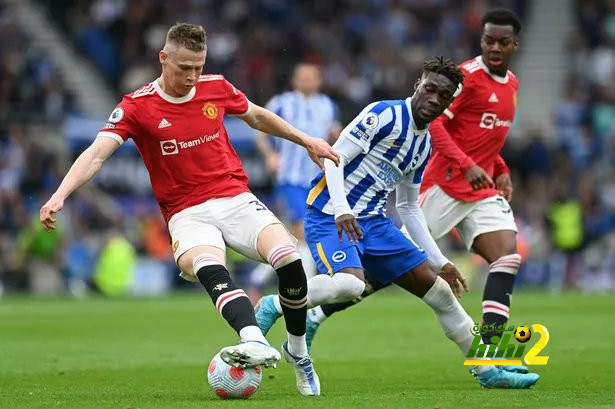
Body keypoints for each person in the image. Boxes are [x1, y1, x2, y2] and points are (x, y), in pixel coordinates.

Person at [39, 23, 339, 396]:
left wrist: (306, 139)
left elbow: (257, 115)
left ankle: (297, 351)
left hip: (234, 198)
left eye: (199, 67)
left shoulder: (215, 87)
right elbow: (97, 154)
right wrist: (60, 195)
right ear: (164, 58)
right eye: (184, 68)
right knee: (209, 265)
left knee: (289, 259)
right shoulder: (137, 106)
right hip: (187, 212)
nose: (193, 76)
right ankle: (253, 339)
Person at [254, 56, 539, 389]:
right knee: (351, 285)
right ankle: (275, 302)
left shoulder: (425, 142)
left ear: (449, 103)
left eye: (443, 96)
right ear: (418, 84)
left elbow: (408, 205)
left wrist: (441, 261)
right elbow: (334, 157)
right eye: (430, 89)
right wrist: (343, 209)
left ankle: (487, 369)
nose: (434, 99)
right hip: (331, 214)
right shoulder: (383, 114)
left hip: (375, 223)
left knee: (442, 293)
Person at [248, 63, 341, 297]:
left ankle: (258, 278)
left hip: (318, 180)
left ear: (319, 80)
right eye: (303, 77)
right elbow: (260, 132)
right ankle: (307, 289)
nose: (308, 81)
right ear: (294, 80)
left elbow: (335, 133)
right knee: (304, 232)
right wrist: (270, 155)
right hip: (290, 178)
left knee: (299, 238)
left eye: (312, 77)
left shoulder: (328, 105)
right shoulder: (281, 102)